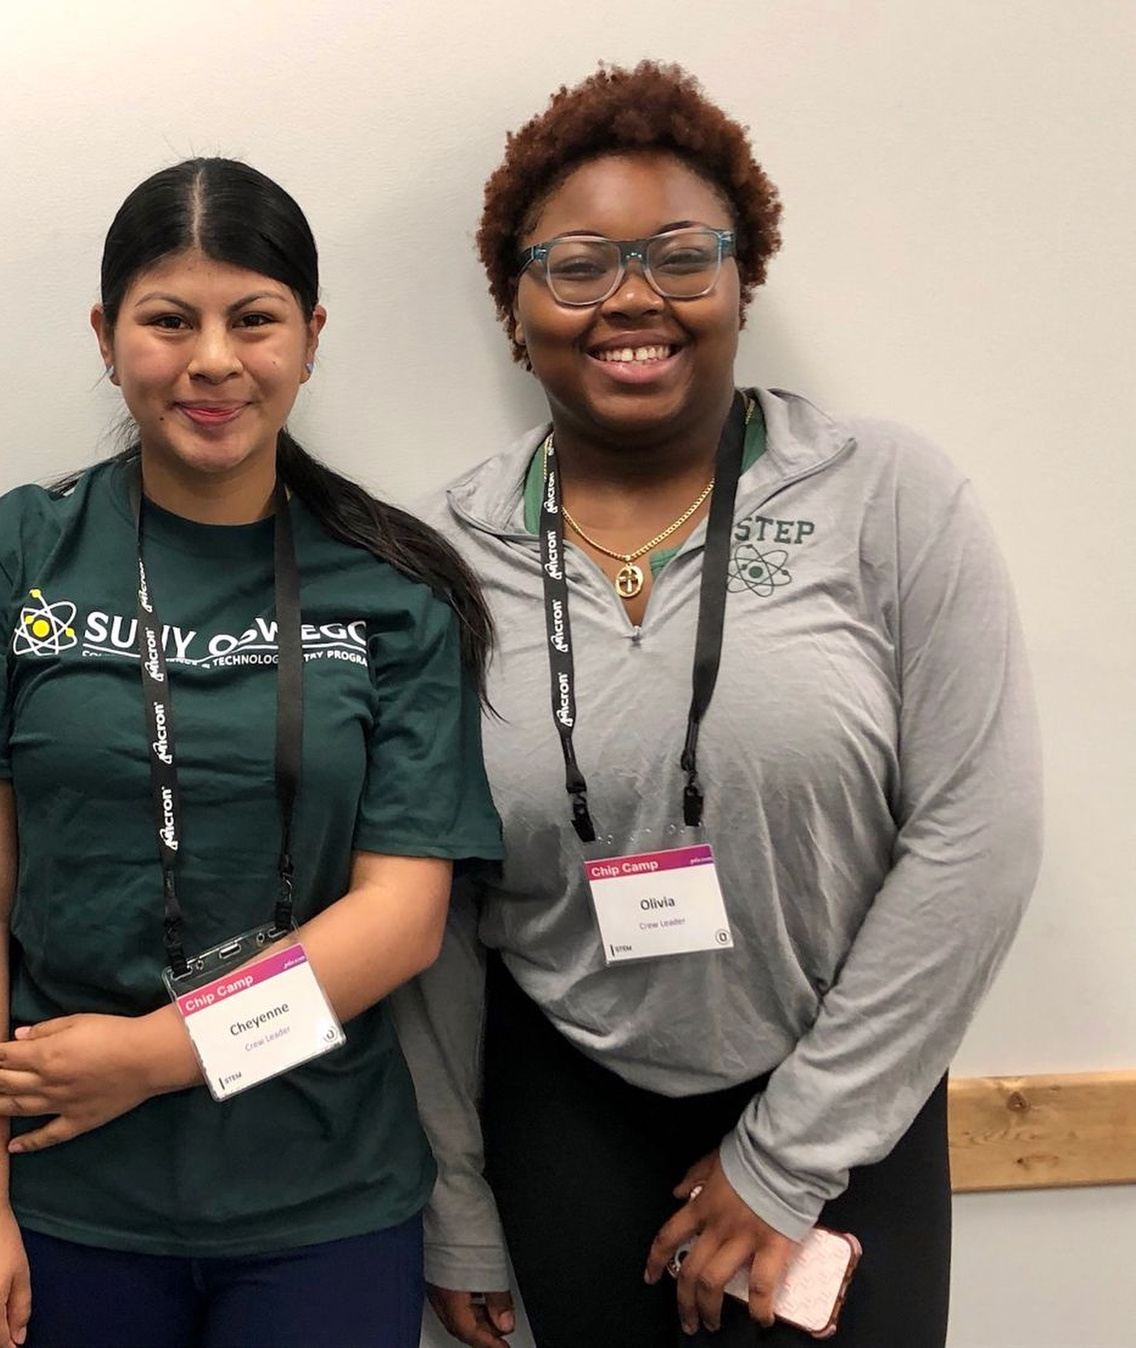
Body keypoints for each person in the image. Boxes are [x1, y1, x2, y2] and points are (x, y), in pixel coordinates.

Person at [396, 61, 1040, 1348]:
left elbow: (980, 840)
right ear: (514, 306)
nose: (631, 297)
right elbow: (434, 907)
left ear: (744, 282)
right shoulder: (439, 559)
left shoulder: (889, 498)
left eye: (682, 256)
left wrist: (786, 1158)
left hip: (848, 1103)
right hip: (564, 1101)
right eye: (577, 263)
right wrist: (458, 1198)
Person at [0, 156, 504, 1348]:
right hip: (66, 1194)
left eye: (254, 319)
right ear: (108, 335)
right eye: (169, 320)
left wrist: (156, 1055)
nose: (213, 359)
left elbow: (403, 917)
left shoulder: (394, 586)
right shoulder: (10, 557)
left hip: (323, 1197)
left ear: (312, 337)